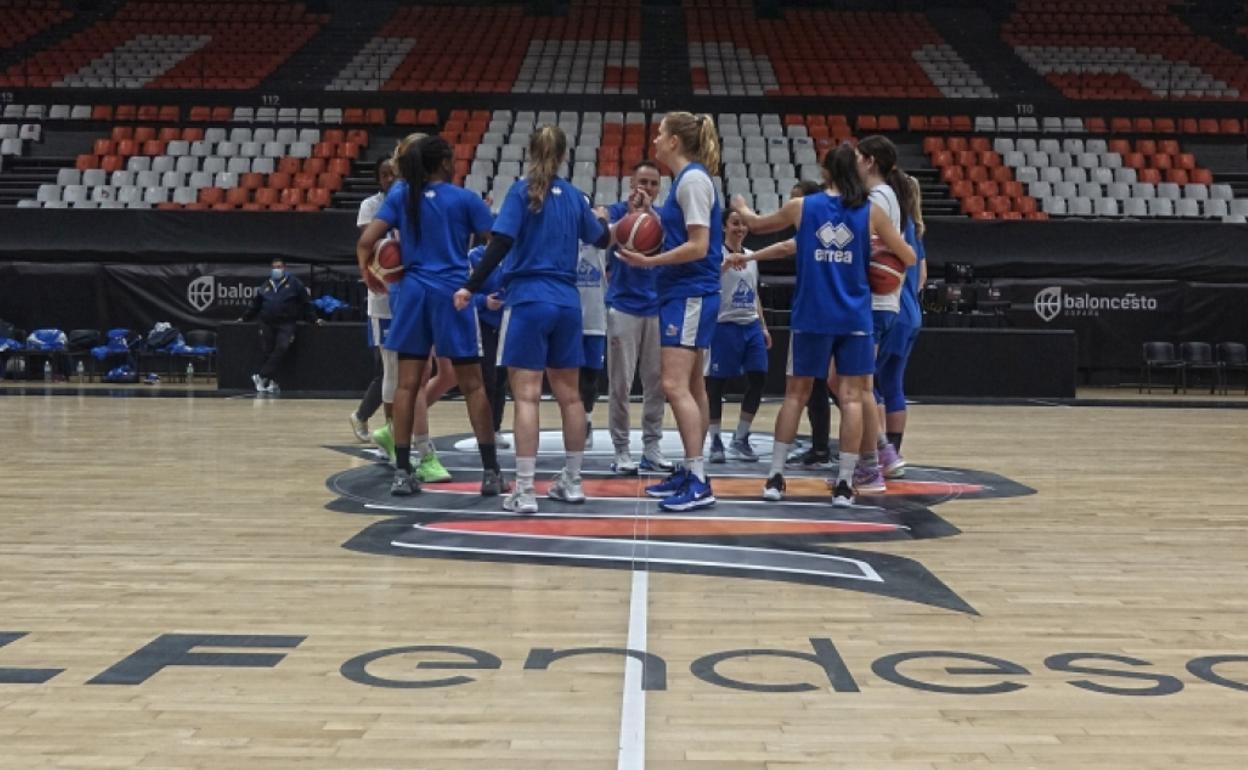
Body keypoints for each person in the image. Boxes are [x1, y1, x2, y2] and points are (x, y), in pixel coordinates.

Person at [728, 143, 914, 507]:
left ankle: (775, 478)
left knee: (795, 396)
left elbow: (758, 225)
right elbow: (906, 256)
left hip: (812, 314)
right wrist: (876, 262)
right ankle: (845, 484)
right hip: (855, 316)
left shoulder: (803, 207)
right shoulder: (870, 212)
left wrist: (741, 208)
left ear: (826, 172)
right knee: (853, 398)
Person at [457, 125, 611, 514]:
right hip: (567, 303)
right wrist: (606, 220)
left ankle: (525, 491)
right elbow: (602, 239)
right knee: (571, 397)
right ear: (564, 155)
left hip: (528, 299)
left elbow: (501, 242)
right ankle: (571, 482)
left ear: (530, 152)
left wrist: (470, 286)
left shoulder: (521, 191)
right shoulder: (575, 196)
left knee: (526, 397)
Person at [356, 135, 504, 497]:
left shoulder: (401, 196)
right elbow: (496, 241)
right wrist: (476, 282)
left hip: (413, 295)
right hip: (453, 294)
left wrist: (369, 274)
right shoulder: (465, 199)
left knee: (407, 385)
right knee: (472, 384)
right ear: (443, 163)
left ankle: (403, 472)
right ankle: (490, 472)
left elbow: (365, 242)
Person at [617, 111, 723, 512]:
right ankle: (692, 468)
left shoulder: (693, 180)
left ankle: (698, 479)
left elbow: (698, 245)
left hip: (690, 292)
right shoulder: (687, 181)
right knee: (692, 387)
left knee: (674, 386)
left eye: (661, 133)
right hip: (685, 292)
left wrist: (649, 263)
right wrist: (653, 212)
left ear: (675, 141)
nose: (656, 139)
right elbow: (683, 234)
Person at [600, 160, 672, 476]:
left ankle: (652, 448)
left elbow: (673, 246)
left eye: (653, 183)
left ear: (660, 188)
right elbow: (602, 240)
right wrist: (631, 216)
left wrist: (650, 217)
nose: (647, 188)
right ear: (631, 183)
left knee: (657, 384)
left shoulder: (666, 217)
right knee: (620, 384)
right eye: (642, 181)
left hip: (657, 307)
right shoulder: (617, 210)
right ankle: (621, 450)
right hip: (623, 306)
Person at [853, 134, 916, 492]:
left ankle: (874, 461)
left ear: (870, 162)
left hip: (875, 304)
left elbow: (902, 253)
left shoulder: (877, 199)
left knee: (856, 386)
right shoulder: (889, 196)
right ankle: (879, 453)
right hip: (884, 304)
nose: (855, 162)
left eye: (859, 156)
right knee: (854, 383)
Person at [706, 207, 770, 463]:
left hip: (751, 325)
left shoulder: (753, 256)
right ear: (724, 227)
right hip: (724, 325)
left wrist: (764, 327)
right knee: (716, 384)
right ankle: (715, 440)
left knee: (759, 378)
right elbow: (708, 281)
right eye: (735, 223)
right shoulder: (714, 254)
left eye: (744, 224)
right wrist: (725, 265)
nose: (740, 228)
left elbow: (755, 294)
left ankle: (741, 437)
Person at [873, 174, 926, 474]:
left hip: (891, 310)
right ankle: (893, 453)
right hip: (913, 312)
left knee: (868, 386)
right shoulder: (915, 232)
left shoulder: (888, 226)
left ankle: (883, 453)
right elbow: (921, 278)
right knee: (893, 385)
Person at [784, 179, 836, 469]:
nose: (791, 206)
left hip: (816, 317)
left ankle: (874, 445)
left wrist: (751, 254)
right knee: (826, 388)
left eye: (796, 201)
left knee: (823, 388)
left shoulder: (813, 233)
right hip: (836, 316)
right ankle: (821, 448)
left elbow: (782, 247)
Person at [350, 158, 398, 442]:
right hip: (382, 296)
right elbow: (374, 246)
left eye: (394, 173)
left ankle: (372, 420)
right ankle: (387, 429)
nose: (389, 178)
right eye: (384, 174)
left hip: (408, 295)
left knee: (399, 370)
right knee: (389, 369)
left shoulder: (411, 203)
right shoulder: (370, 206)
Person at [238, 257, 321, 393]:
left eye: (279, 267)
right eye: (274, 267)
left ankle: (261, 375)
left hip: (286, 323)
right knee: (268, 351)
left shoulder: (295, 283)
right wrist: (244, 318)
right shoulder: (265, 285)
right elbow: (255, 305)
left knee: (282, 347)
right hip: (267, 322)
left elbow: (306, 303)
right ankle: (273, 382)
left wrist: (314, 319)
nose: (276, 269)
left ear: (284, 268)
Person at [468, 243, 509, 447]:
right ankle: (483, 432)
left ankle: (495, 428)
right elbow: (463, 293)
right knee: (487, 379)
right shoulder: (474, 256)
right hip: (482, 324)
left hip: (506, 323)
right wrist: (484, 301)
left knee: (501, 378)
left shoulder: (513, 253)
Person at [576, 239, 607, 449]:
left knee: (590, 378)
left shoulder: (603, 238)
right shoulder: (566, 235)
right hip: (568, 318)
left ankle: (586, 420)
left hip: (596, 320)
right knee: (567, 378)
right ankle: (574, 421)